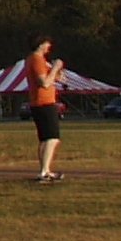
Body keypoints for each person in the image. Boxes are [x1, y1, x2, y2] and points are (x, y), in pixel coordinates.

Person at [22, 39, 68, 181]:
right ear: (40, 44)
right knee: (52, 138)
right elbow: (45, 83)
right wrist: (54, 67)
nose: (49, 46)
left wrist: (57, 70)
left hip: (39, 102)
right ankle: (44, 171)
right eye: (47, 43)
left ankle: (45, 170)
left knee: (44, 139)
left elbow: (60, 79)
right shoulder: (36, 60)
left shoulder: (37, 60)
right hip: (44, 102)